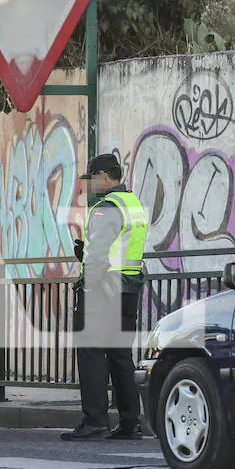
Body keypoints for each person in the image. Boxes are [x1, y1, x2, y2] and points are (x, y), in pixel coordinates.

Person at [61, 153, 148, 441]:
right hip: (128, 288)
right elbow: (119, 248)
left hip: (103, 290)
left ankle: (95, 420)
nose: (91, 185)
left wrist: (88, 286)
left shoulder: (106, 208)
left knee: (91, 353)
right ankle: (130, 421)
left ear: (105, 176)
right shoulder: (134, 204)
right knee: (121, 355)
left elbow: (98, 255)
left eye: (93, 178)